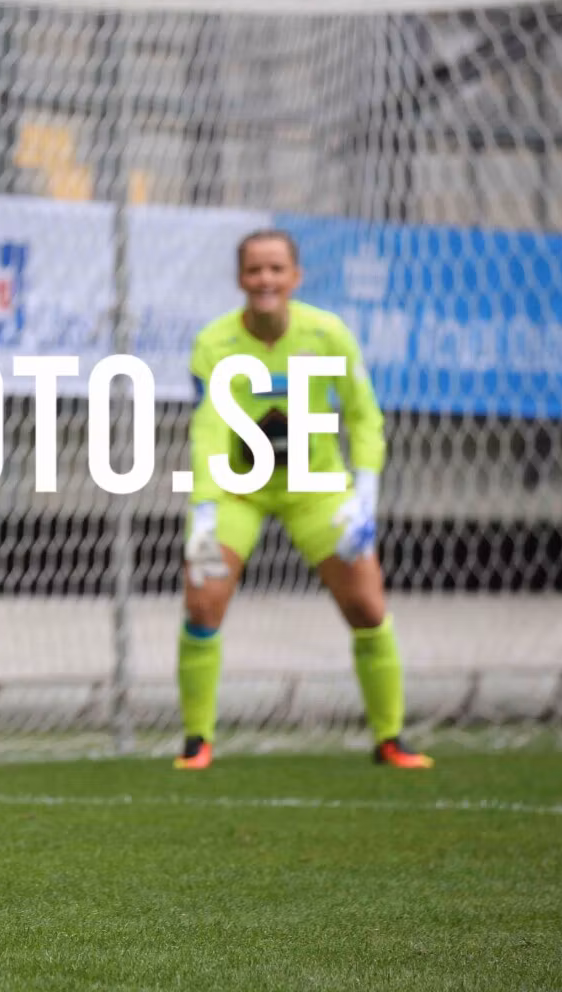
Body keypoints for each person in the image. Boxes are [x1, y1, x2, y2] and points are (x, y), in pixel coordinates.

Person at [175, 227, 432, 771]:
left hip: (316, 487)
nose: (265, 279)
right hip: (238, 489)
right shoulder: (214, 343)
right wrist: (204, 509)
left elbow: (364, 415)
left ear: (296, 276)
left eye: (276, 269)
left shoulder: (327, 333)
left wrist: (364, 495)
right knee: (203, 598)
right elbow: (208, 429)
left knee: (367, 605)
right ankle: (197, 740)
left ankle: (390, 738)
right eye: (254, 270)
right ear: (240, 278)